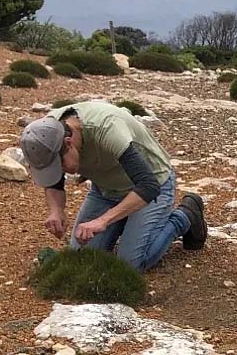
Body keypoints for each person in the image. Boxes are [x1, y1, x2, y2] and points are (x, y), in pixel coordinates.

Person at [19, 100, 207, 271]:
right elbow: (54, 183)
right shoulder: (46, 135)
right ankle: (126, 221)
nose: (63, 172)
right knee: (82, 259)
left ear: (69, 142)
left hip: (152, 185)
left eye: (60, 165)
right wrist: (56, 210)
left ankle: (184, 216)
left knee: (129, 265)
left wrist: (103, 220)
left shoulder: (107, 127)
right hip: (106, 190)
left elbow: (148, 185)